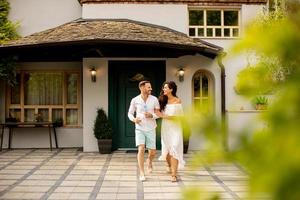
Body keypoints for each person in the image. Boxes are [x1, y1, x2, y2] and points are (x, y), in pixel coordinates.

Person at [128, 80, 160, 181]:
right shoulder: (135, 100)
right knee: (141, 149)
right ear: (142, 88)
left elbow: (158, 113)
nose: (151, 89)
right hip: (140, 128)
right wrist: (134, 119)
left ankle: (149, 161)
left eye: (150, 87)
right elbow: (129, 113)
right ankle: (142, 173)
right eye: (148, 87)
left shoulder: (154, 99)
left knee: (152, 152)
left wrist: (152, 115)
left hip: (151, 128)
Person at [156, 81, 185, 182]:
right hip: (166, 128)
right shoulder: (161, 100)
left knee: (175, 148)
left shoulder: (177, 101)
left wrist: (169, 117)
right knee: (168, 150)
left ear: (171, 89)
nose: (164, 89)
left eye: (166, 88)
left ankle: (174, 174)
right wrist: (163, 116)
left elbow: (181, 116)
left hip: (176, 127)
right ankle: (169, 165)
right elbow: (157, 112)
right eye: (163, 88)